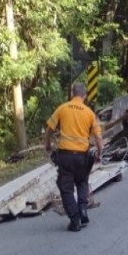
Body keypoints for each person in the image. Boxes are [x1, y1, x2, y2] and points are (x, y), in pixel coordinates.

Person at [45, 82, 104, 232]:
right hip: (82, 157)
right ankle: (83, 209)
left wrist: (48, 145)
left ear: (72, 94)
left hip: (65, 156)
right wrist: (99, 154)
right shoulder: (89, 113)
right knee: (82, 181)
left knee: (66, 189)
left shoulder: (63, 108)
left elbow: (49, 128)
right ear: (84, 96)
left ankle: (75, 220)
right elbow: (98, 138)